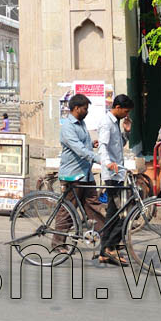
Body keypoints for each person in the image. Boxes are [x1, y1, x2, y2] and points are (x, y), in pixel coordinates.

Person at [55, 94, 104, 250]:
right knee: (68, 210)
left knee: (94, 207)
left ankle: (107, 241)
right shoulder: (68, 127)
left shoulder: (81, 124)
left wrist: (92, 144)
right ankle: (58, 243)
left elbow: (84, 145)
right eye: (85, 108)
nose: (87, 111)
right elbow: (79, 149)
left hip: (85, 174)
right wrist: (99, 160)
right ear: (76, 108)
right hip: (73, 175)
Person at [97, 93, 135, 266]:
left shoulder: (116, 123)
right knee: (122, 212)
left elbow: (119, 144)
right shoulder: (106, 123)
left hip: (118, 173)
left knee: (113, 213)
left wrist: (126, 132)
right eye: (125, 111)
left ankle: (105, 251)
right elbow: (102, 146)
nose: (126, 115)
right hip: (112, 174)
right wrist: (107, 163)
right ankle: (109, 247)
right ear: (118, 108)